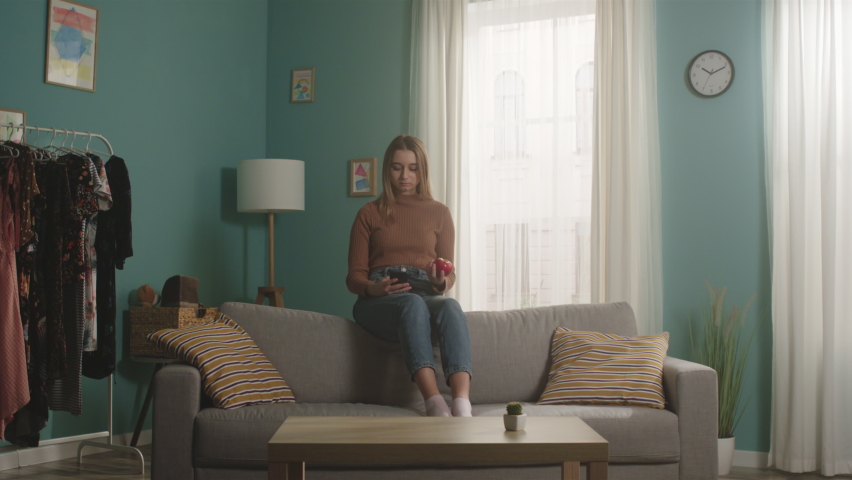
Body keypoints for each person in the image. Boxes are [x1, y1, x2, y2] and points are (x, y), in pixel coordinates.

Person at [346, 134, 472, 417]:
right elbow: (353, 277)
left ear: (422, 170)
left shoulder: (440, 213)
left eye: (413, 168)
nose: (405, 175)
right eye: (397, 167)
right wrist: (373, 288)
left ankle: (462, 404)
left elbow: (448, 276)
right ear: (387, 170)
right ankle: (435, 403)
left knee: (450, 305)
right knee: (411, 304)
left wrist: (440, 281)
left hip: (424, 291)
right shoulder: (368, 213)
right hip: (380, 296)